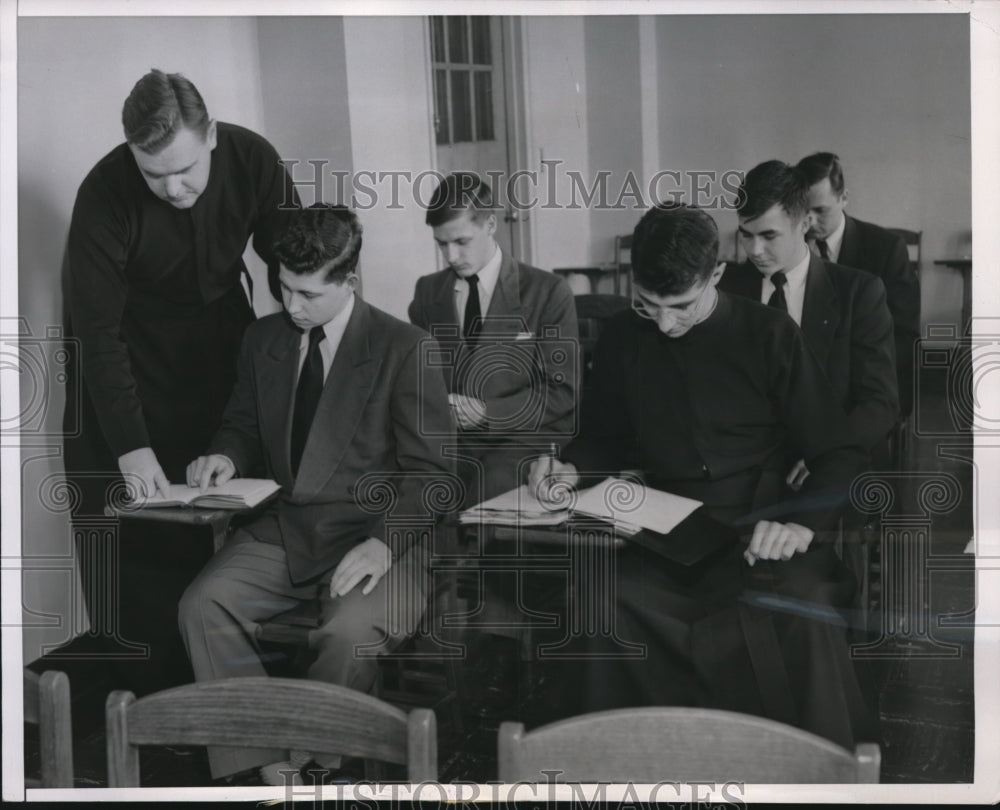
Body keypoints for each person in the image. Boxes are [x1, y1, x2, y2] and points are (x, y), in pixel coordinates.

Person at [528, 203, 877, 750]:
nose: (664, 323)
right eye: (648, 305)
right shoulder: (624, 336)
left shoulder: (769, 333)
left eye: (681, 306)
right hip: (661, 528)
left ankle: (801, 772)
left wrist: (801, 526)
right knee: (598, 602)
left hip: (760, 525)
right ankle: (622, 767)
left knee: (797, 614)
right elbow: (604, 436)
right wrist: (571, 466)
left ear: (716, 273)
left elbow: (840, 450)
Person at [178, 204, 454, 783]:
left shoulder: (406, 348)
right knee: (203, 605)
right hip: (291, 527)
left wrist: (385, 544)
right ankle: (256, 757)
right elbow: (243, 425)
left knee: (346, 633)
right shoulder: (262, 339)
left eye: (308, 294)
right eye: (283, 288)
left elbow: (431, 475)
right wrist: (225, 455)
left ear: (349, 281)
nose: (293, 307)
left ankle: (317, 762)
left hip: (382, 535)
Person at [63, 69, 298, 693]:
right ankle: (156, 702)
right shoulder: (104, 192)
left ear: (212, 135)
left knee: (242, 501)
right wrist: (131, 446)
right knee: (136, 532)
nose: (173, 187)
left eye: (186, 169)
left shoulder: (252, 158)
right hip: (125, 359)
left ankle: (250, 679)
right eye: (154, 173)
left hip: (220, 343)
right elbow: (94, 331)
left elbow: (294, 263)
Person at [720, 160, 899, 488]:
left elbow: (880, 403)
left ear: (804, 223)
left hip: (828, 457)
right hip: (741, 468)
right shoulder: (725, 289)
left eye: (769, 235)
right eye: (746, 235)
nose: (755, 250)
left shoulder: (859, 291)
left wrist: (829, 454)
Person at [408, 172, 578, 507]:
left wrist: (488, 412)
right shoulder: (428, 292)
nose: (452, 256)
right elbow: (416, 376)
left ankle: (472, 559)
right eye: (442, 244)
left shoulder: (547, 292)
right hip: (453, 438)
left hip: (524, 435)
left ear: (490, 224)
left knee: (487, 488)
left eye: (462, 241)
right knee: (414, 478)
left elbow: (563, 392)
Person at [796, 151, 920, 419]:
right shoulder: (789, 245)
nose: (809, 222)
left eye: (820, 211)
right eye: (802, 211)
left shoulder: (886, 249)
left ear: (844, 198)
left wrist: (840, 374)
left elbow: (904, 336)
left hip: (867, 384)